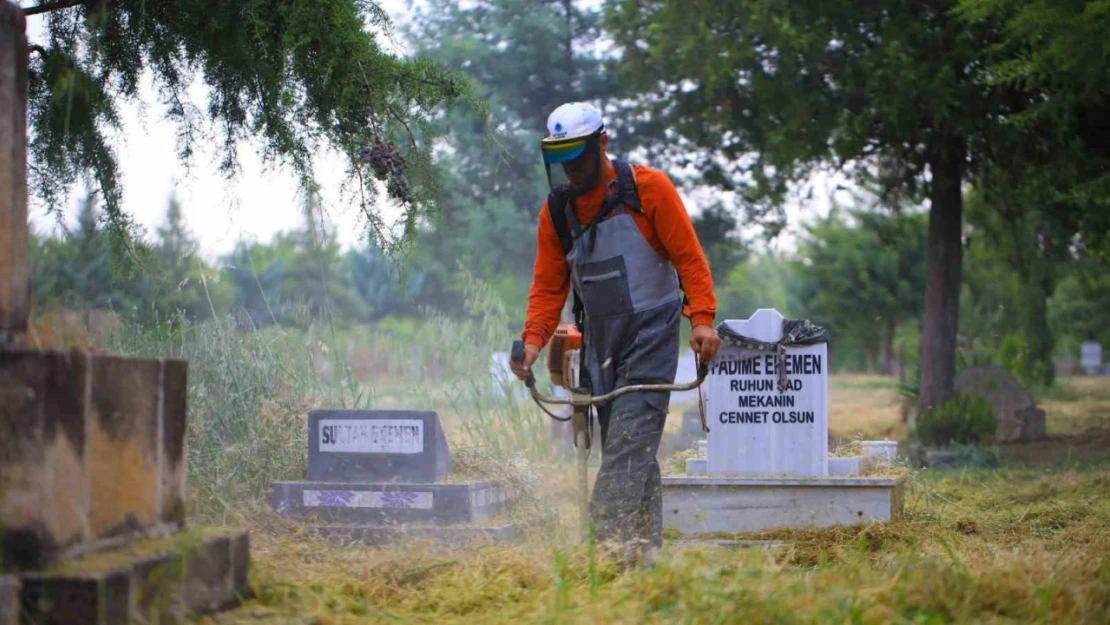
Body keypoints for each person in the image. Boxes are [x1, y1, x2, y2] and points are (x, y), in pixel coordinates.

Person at [509, 101, 721, 562]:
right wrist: (530, 344)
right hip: (600, 342)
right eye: (560, 158)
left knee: (627, 446)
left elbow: (689, 258)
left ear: (601, 144)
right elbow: (548, 287)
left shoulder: (648, 190)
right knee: (633, 452)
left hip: (652, 333)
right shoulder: (558, 213)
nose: (570, 168)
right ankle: (642, 560)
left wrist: (702, 319)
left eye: (578, 156)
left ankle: (600, 557)